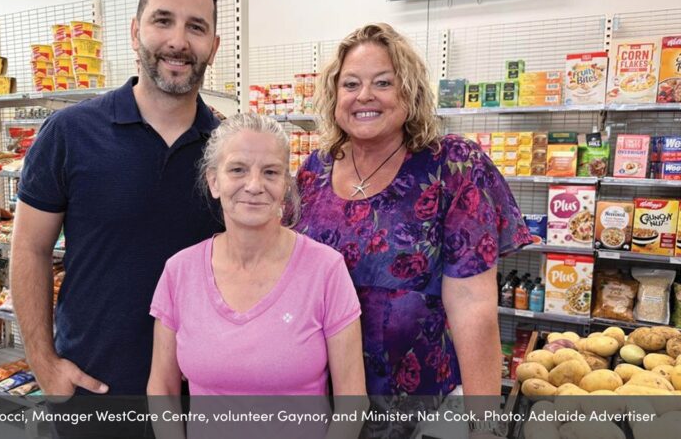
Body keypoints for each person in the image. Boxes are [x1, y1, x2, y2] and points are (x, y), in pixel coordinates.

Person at [296, 23, 532, 401]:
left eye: (383, 83)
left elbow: (473, 307)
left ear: (410, 91)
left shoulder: (453, 166)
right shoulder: (314, 170)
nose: (364, 95)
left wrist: (483, 420)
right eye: (351, 84)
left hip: (419, 403)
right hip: (320, 396)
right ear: (334, 96)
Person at [11, 0, 224, 399]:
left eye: (196, 27)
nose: (178, 41)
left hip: (198, 398)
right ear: (135, 31)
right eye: (163, 20)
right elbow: (29, 248)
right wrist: (42, 361)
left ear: (213, 47)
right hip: (92, 391)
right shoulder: (69, 133)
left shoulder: (229, 152)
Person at [147, 113, 365, 398]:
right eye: (237, 170)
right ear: (214, 181)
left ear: (286, 184)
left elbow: (352, 400)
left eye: (270, 172)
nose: (254, 185)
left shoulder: (326, 270)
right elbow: (162, 388)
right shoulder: (179, 272)